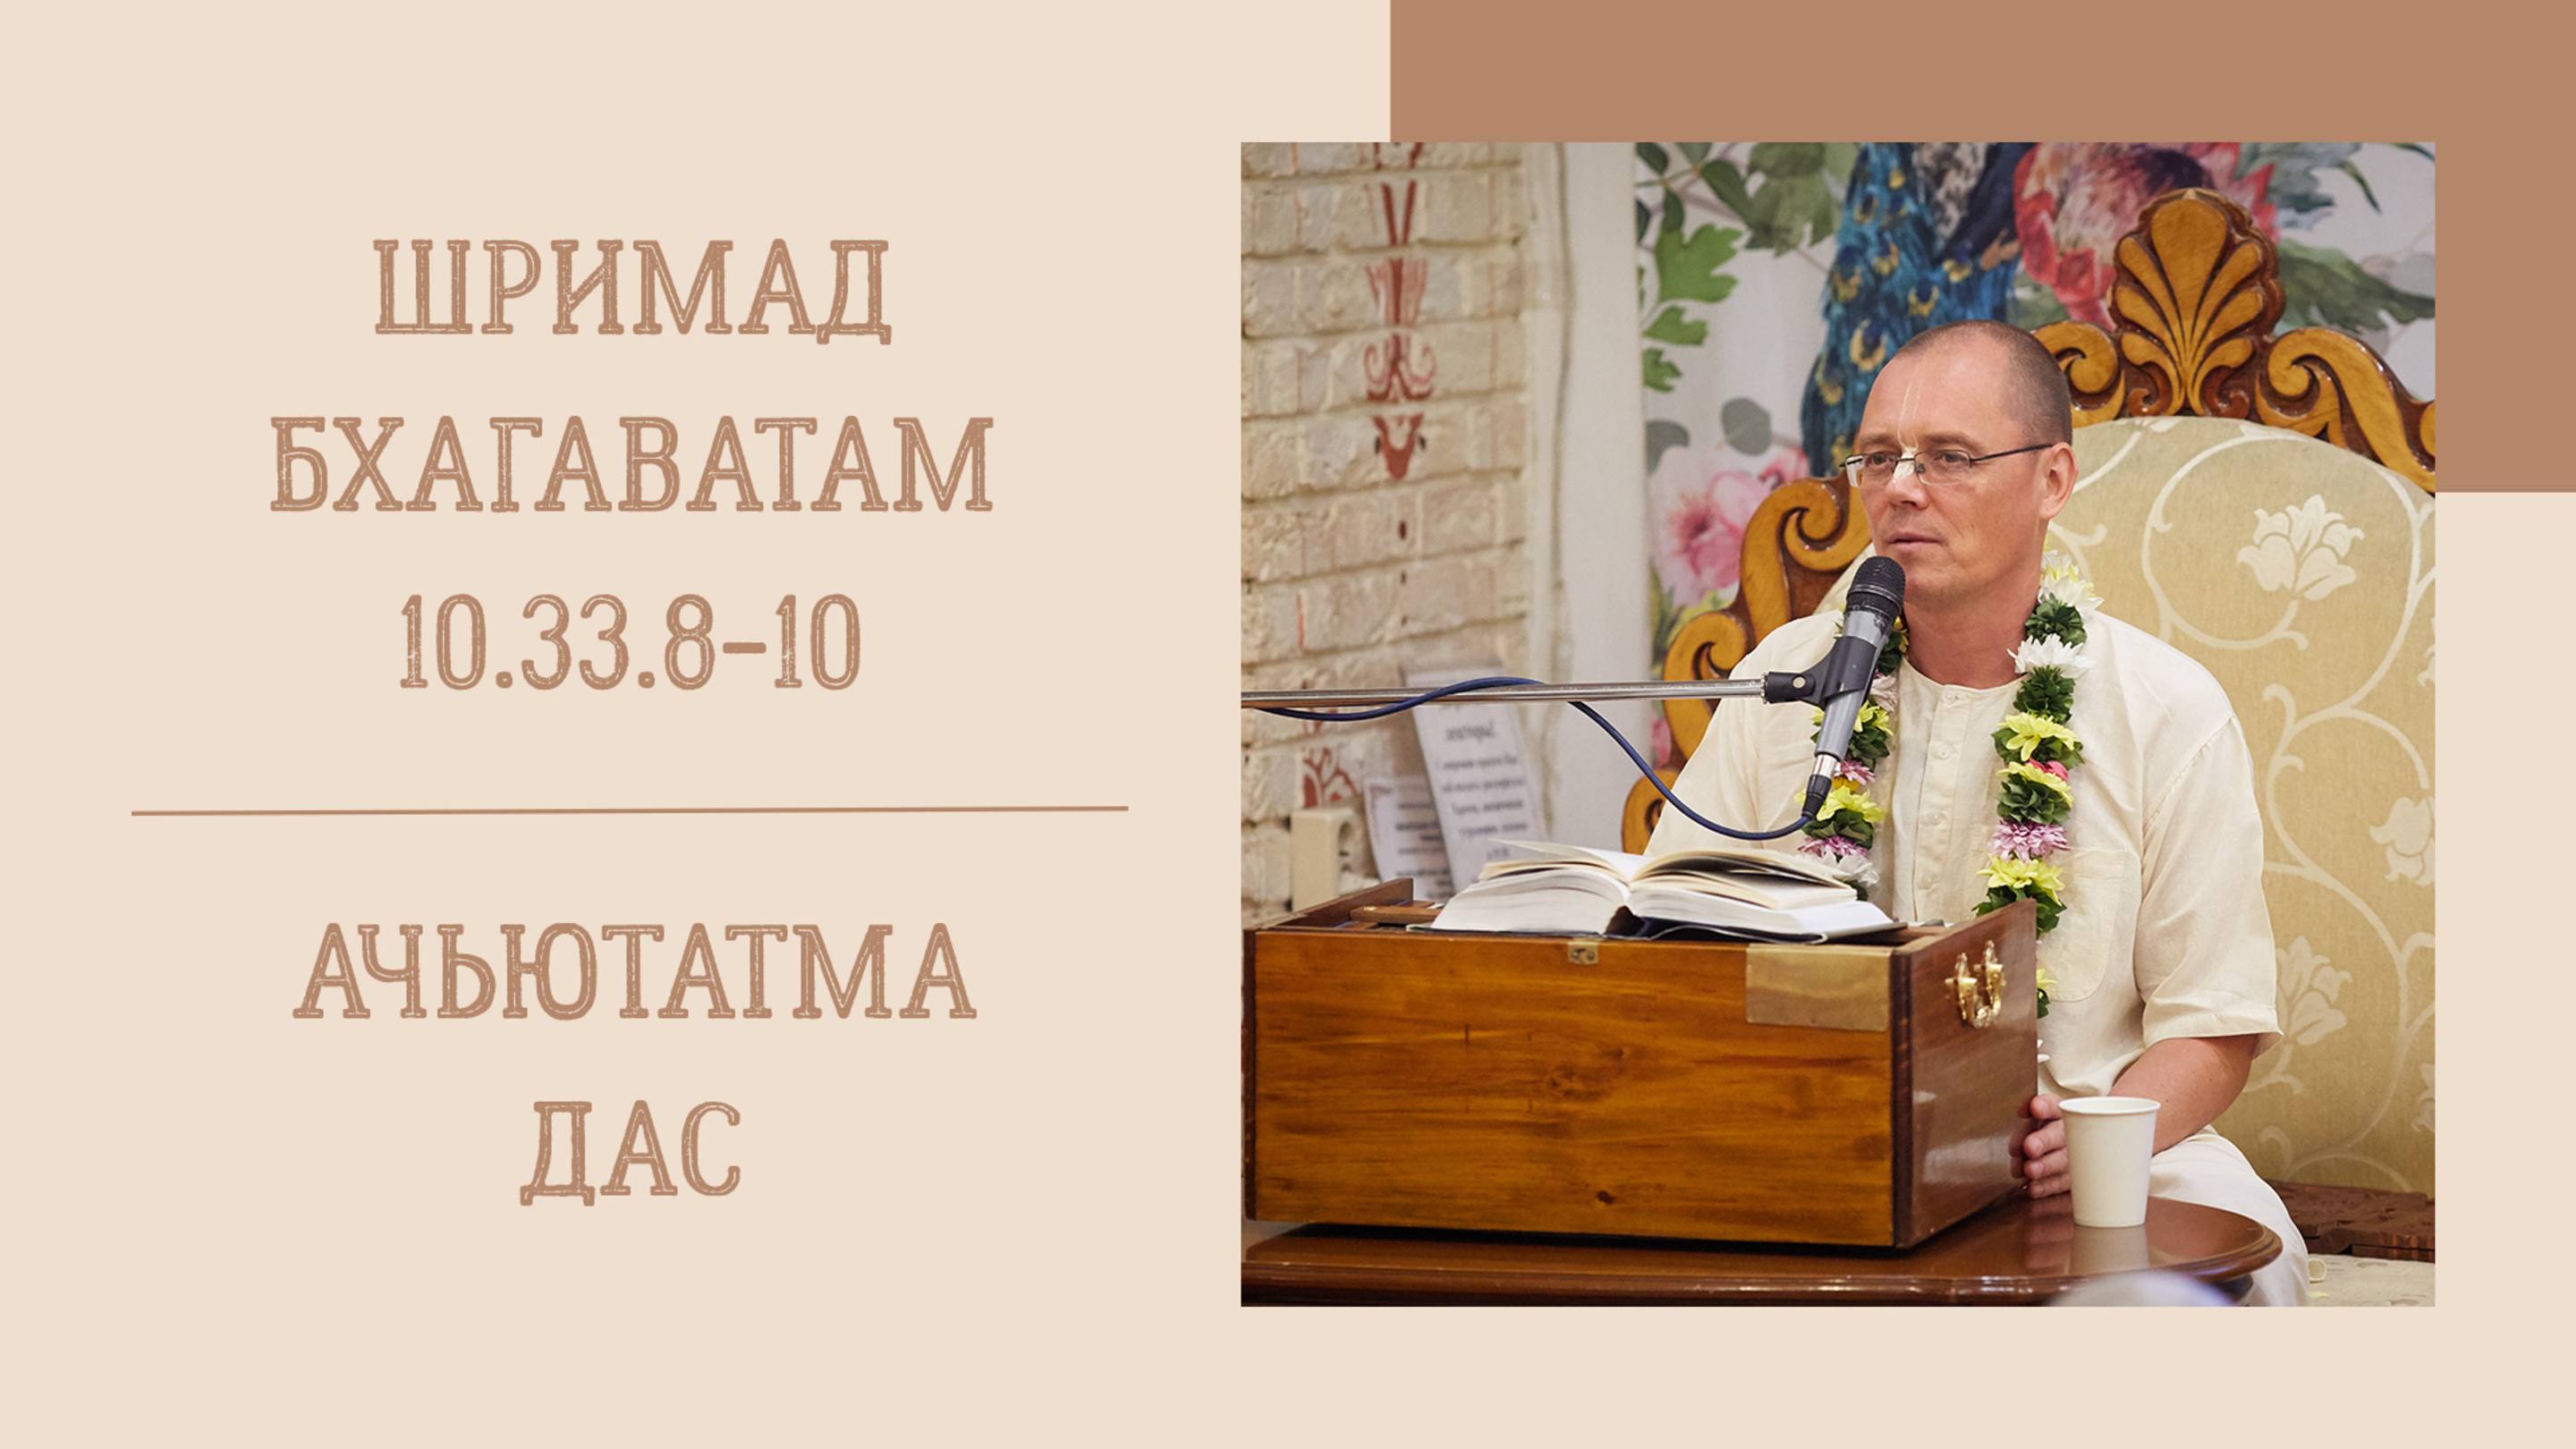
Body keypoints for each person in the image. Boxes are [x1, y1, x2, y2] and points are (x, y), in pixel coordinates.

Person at [1645, 318, 2307, 1304]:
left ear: (2052, 480)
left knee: (2229, 1280)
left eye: (1950, 457)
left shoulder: (2166, 710)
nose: (1902, 489)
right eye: (1879, 458)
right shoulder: (1784, 682)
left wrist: (2094, 1141)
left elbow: (2215, 1025)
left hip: (2090, 1156)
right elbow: (1666, 942)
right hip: (1815, 1144)